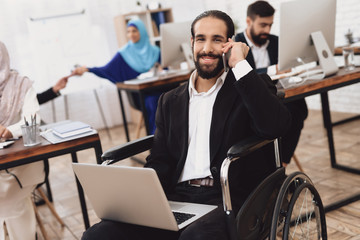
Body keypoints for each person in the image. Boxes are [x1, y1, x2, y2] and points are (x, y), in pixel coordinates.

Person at [81, 10, 291, 240]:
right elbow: (160, 159)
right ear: (191, 43)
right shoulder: (170, 100)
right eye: (201, 39)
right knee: (99, 235)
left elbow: (275, 127)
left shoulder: (249, 86)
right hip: (176, 196)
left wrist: (239, 63)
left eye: (217, 40)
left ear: (229, 45)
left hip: (228, 197)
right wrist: (139, 199)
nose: (207, 48)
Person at [235, 0, 308, 167]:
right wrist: (272, 70)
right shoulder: (237, 44)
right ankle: (273, 166)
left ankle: (280, 165)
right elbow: (243, 75)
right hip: (252, 101)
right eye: (262, 25)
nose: (267, 30)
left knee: (296, 109)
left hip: (276, 96)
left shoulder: (275, 42)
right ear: (248, 21)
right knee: (282, 116)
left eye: (270, 25)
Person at [72, 18, 161, 134]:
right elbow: (107, 70)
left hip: (159, 87)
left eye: (134, 31)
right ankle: (156, 140)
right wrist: (87, 69)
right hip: (141, 96)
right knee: (154, 101)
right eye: (128, 31)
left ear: (142, 32)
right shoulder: (124, 53)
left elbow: (165, 67)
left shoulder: (155, 51)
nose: (131, 34)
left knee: (172, 99)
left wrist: (161, 68)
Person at [0, 41, 45, 240]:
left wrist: (9, 130)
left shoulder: (21, 84)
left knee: (11, 200)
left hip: (20, 164)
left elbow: (32, 119)